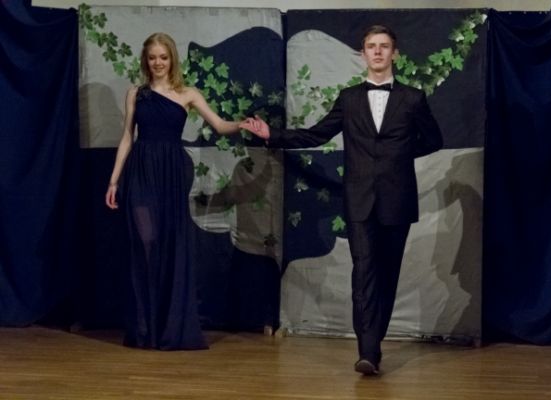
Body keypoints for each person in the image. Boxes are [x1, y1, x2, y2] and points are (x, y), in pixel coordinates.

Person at [241, 25, 443, 374]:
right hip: (359, 198)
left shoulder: (412, 98)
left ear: (394, 54)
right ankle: (368, 352)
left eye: (384, 46)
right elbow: (317, 134)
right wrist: (272, 134)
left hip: (397, 199)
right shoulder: (349, 99)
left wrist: (398, 156)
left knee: (387, 275)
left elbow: (434, 140)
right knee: (363, 271)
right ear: (362, 54)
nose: (377, 52)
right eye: (371, 46)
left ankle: (374, 343)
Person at [105, 32, 240, 350]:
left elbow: (220, 125)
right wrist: (113, 181)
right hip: (141, 171)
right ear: (145, 60)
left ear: (171, 59)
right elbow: (127, 137)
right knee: (146, 244)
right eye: (152, 57)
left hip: (171, 173)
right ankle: (146, 327)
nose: (158, 63)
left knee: (168, 245)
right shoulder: (136, 93)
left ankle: (168, 326)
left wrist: (243, 124)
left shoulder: (187, 94)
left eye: (163, 57)